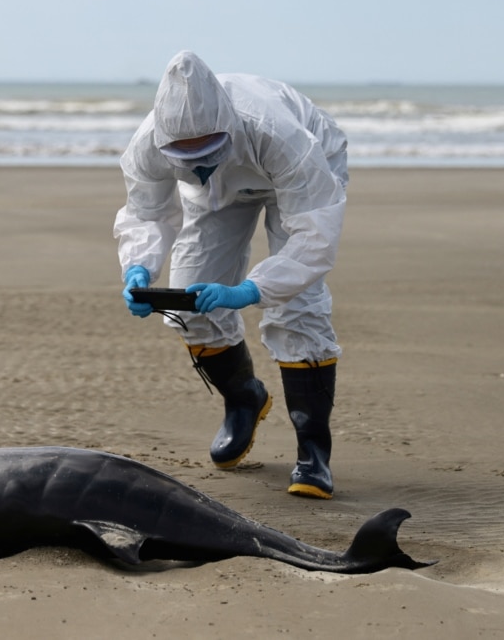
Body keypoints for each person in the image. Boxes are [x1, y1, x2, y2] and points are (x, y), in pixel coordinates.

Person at [114, 50, 349, 499]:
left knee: (297, 308)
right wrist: (138, 267)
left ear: (227, 128)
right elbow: (145, 213)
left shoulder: (279, 134)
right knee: (190, 302)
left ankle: (313, 452)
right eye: (184, 155)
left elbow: (313, 238)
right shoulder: (146, 144)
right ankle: (244, 399)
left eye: (206, 150)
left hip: (300, 179)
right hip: (218, 193)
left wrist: (249, 290)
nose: (198, 162)